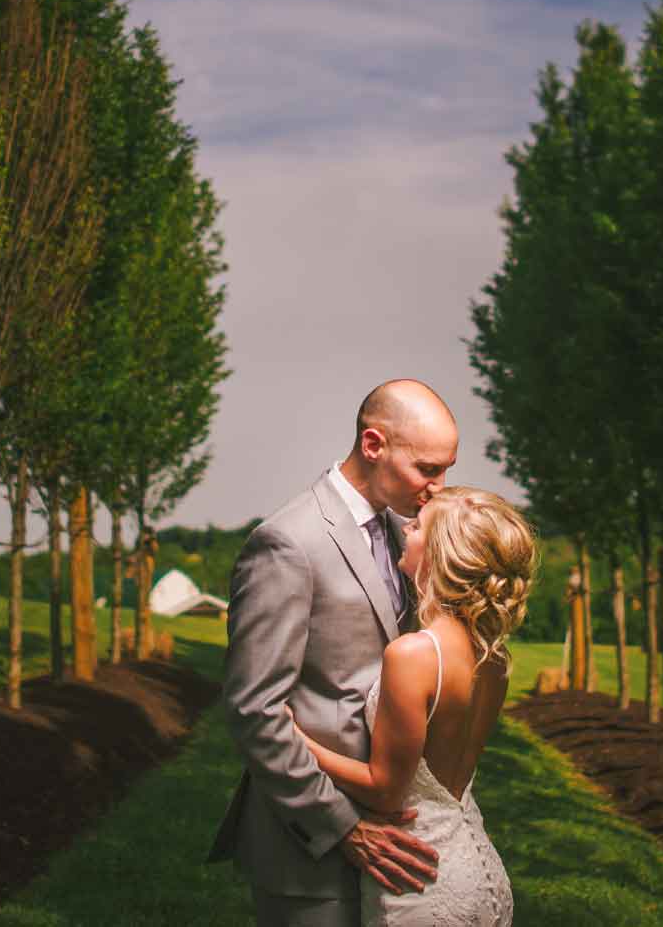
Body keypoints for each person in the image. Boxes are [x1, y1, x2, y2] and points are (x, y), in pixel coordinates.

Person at [209, 379, 461, 926]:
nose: (440, 488)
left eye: (447, 469)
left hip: (399, 842)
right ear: (373, 445)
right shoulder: (286, 543)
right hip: (309, 856)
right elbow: (254, 710)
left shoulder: (408, 533)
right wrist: (341, 826)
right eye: (428, 469)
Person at [292, 487, 535, 927]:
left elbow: (385, 789)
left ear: (441, 551)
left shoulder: (415, 656)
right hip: (480, 871)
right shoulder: (494, 662)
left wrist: (299, 740)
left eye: (419, 525)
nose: (407, 528)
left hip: (419, 877)